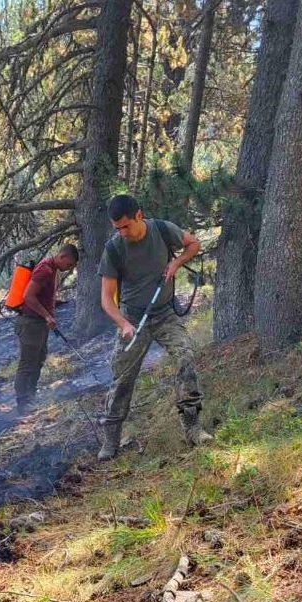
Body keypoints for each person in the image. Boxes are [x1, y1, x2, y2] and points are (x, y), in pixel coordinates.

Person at [96, 194, 212, 460]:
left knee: (186, 357)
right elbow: (106, 298)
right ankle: (111, 440)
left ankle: (192, 427)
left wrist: (176, 262)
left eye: (126, 226)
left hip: (165, 314)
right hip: (133, 319)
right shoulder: (113, 249)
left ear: (139, 215)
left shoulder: (161, 229)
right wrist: (123, 323)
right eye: (117, 228)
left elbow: (193, 243)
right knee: (122, 378)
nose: (122, 232)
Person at [14, 243, 79, 415]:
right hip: (30, 323)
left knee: (39, 360)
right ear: (62, 256)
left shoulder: (52, 269)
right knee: (27, 364)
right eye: (70, 264)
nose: (69, 268)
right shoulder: (45, 270)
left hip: (39, 323)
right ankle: (22, 405)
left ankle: (31, 397)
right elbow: (28, 296)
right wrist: (47, 316)